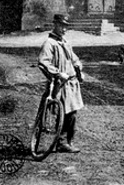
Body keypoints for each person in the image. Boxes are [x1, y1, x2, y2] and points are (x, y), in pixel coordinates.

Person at [38, 13, 84, 154]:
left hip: (71, 84)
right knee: (65, 113)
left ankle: (66, 141)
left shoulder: (65, 43)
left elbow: (74, 59)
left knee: (73, 113)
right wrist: (57, 73)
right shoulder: (49, 43)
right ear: (55, 25)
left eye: (66, 27)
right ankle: (62, 142)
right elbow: (43, 62)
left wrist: (78, 69)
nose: (64, 29)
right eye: (61, 26)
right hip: (59, 84)